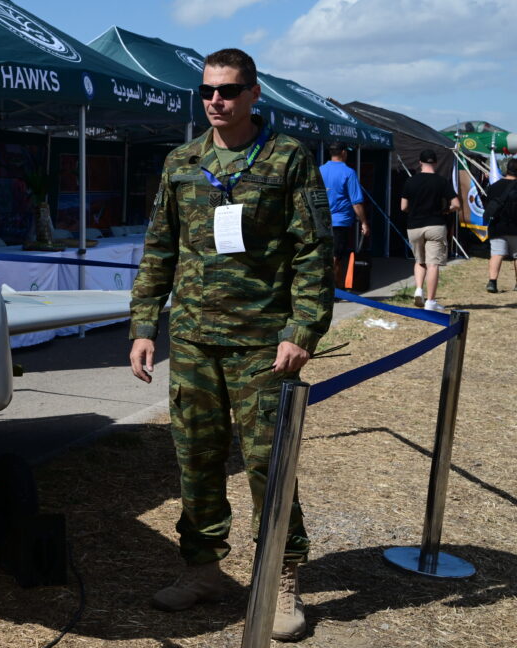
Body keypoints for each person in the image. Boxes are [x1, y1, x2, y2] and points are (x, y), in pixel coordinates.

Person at [127, 48, 333, 642]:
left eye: (230, 90)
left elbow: (314, 252)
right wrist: (145, 326)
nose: (217, 101)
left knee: (269, 464)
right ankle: (202, 570)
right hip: (193, 341)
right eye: (208, 92)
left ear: (254, 94)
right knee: (194, 459)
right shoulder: (182, 161)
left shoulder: (287, 158)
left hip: (261, 344)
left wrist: (302, 330)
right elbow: (159, 247)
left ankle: (282, 576)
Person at [400, 149, 459, 311]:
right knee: (433, 264)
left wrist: (414, 211)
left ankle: (419, 289)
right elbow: (456, 204)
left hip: (414, 226)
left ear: (420, 163)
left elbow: (403, 206)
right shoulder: (441, 181)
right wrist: (446, 210)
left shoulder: (410, 181)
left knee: (420, 261)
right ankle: (431, 302)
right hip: (435, 225)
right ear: (436, 163)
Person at [319, 142, 370, 288]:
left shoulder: (320, 170)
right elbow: (357, 202)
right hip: (339, 222)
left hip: (321, 220)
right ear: (343, 153)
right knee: (336, 256)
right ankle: (332, 289)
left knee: (325, 256)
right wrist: (364, 223)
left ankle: (332, 286)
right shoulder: (348, 173)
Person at [484, 158, 517, 293]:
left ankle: (492, 282)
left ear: (506, 169)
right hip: (516, 227)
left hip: (497, 225)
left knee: (497, 254)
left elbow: (487, 205)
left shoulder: (494, 187)